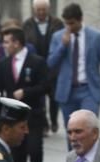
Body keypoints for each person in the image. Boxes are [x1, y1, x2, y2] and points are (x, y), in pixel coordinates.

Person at [0, 26, 50, 162]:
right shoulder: (4, 64)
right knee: (17, 153)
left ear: (17, 43)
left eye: (7, 42)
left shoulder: (37, 61)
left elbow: (45, 86)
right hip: (12, 117)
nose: (4, 46)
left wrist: (26, 92)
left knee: (35, 149)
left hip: (33, 115)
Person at [47, 3, 100, 127]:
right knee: (72, 132)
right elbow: (51, 62)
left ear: (80, 19)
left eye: (72, 23)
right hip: (67, 91)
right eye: (66, 23)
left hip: (89, 90)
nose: (69, 27)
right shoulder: (58, 37)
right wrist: (63, 46)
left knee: (88, 128)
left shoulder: (96, 36)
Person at [22, 0, 64, 133]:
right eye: (38, 10)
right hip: (36, 66)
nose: (41, 12)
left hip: (53, 65)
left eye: (43, 9)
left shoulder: (57, 23)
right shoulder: (27, 24)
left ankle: (54, 120)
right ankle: (43, 123)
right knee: (39, 96)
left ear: (48, 9)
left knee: (53, 96)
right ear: (34, 10)